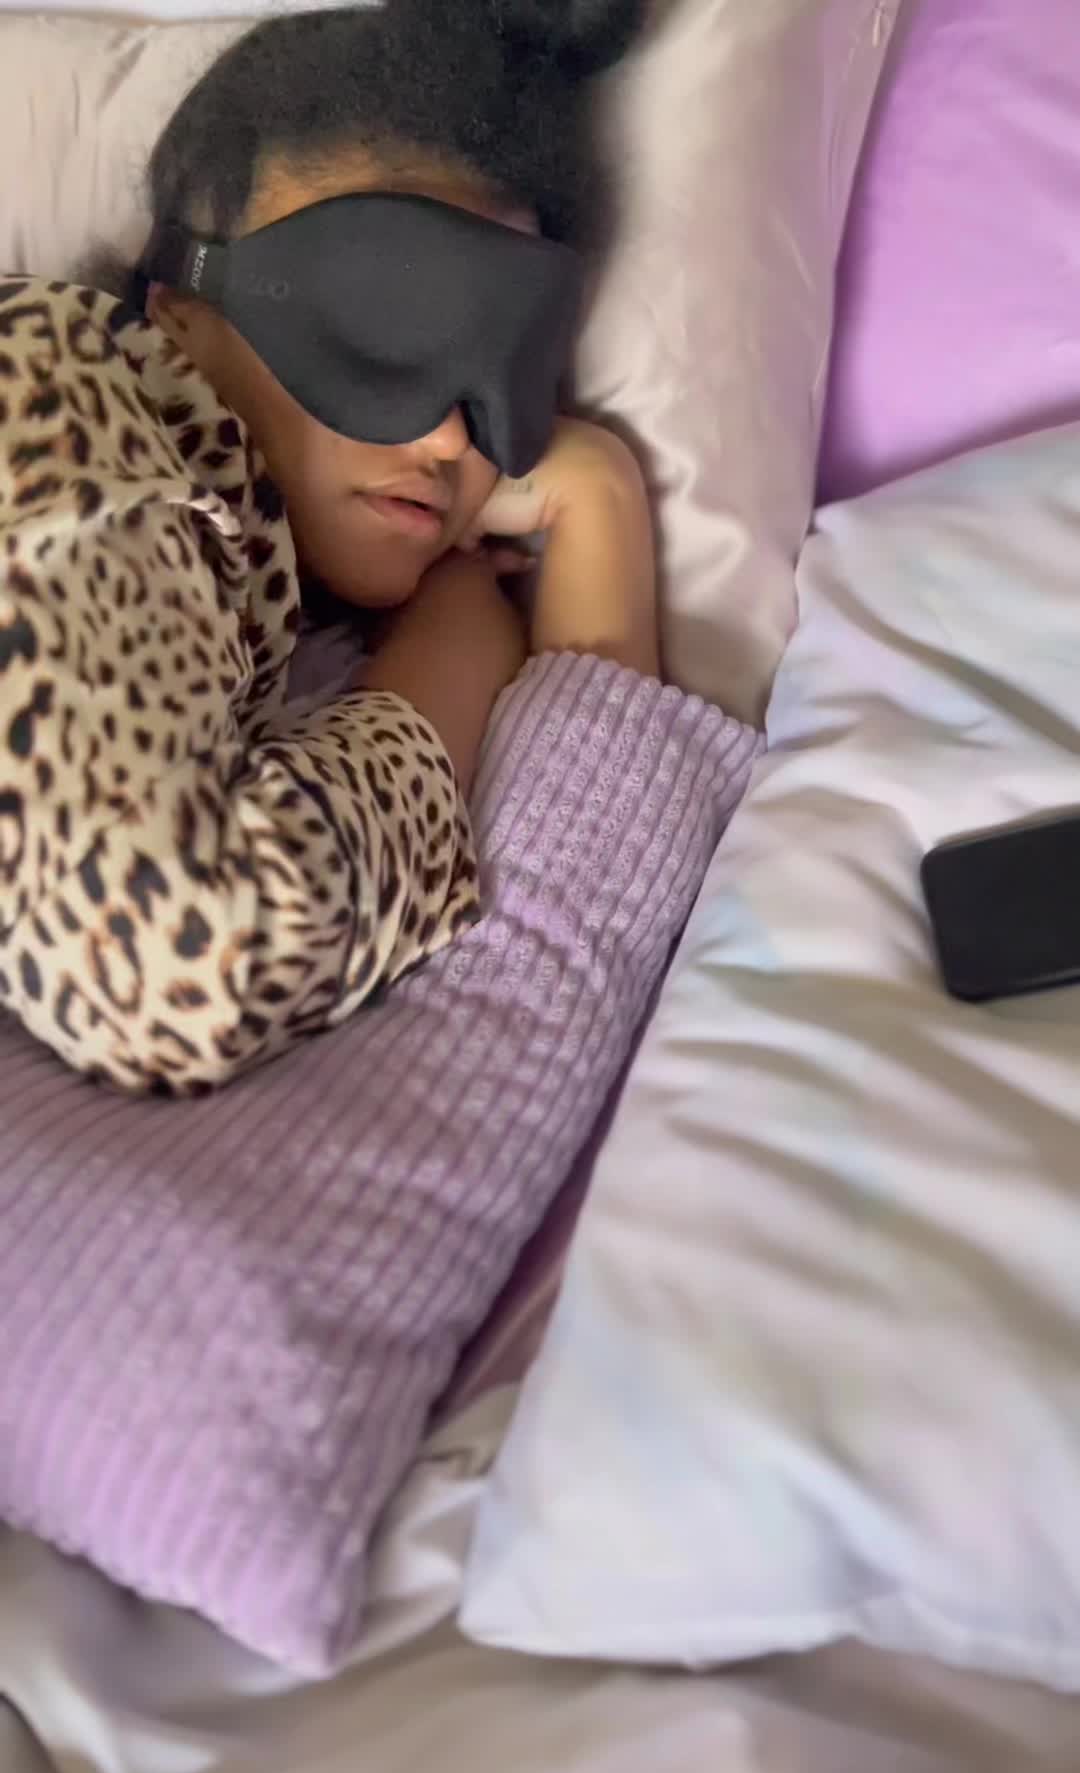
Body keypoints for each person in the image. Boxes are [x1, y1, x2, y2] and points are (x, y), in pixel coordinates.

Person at [0, 0, 657, 1096]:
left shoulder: (252, 597)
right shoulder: (40, 379)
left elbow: (590, 896)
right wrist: (455, 638)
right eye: (385, 319)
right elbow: (175, 968)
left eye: (512, 364)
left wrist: (602, 502)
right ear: (180, 309)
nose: (449, 441)